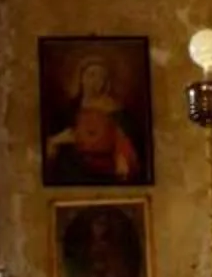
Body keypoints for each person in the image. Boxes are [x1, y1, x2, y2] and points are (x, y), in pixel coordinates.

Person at [42, 56, 143, 184]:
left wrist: (123, 156)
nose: (96, 80)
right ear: (81, 79)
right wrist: (56, 141)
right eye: (91, 75)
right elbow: (48, 148)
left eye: (101, 77)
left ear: (106, 82)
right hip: (72, 170)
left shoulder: (117, 110)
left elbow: (129, 144)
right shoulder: (67, 111)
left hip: (107, 171)